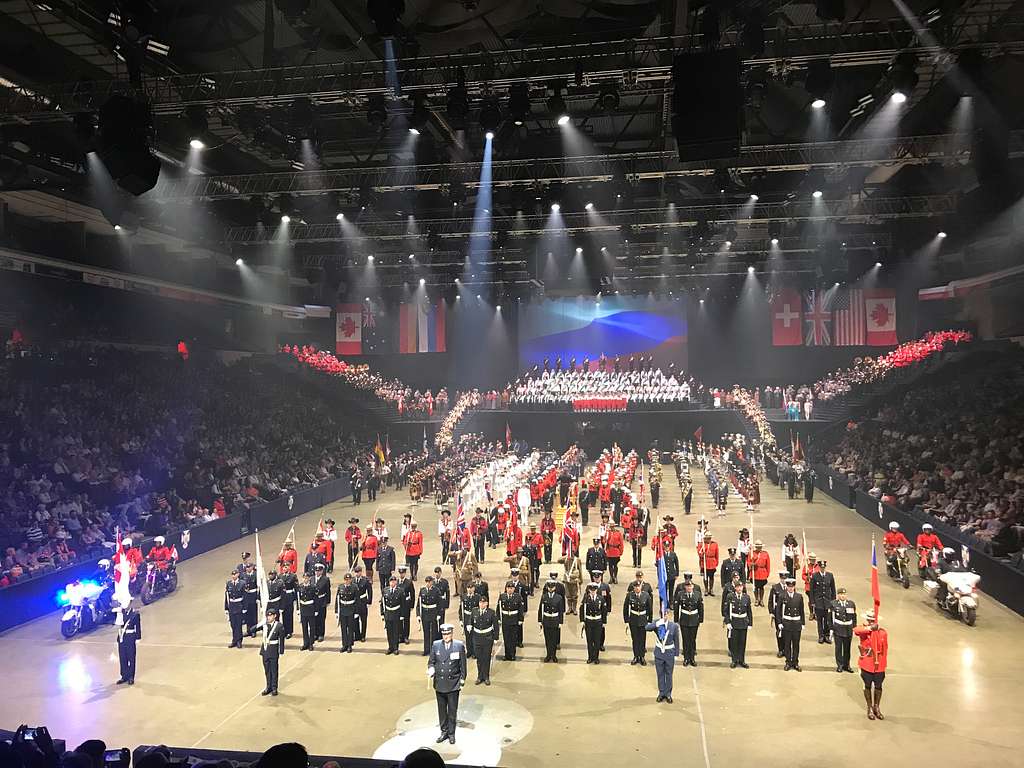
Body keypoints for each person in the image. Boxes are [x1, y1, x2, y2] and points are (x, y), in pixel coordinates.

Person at [428, 624, 467, 745]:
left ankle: (451, 733)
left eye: (448, 634)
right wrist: (431, 669)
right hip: (440, 682)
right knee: (441, 711)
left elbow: (463, 666)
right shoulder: (436, 645)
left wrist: (462, 679)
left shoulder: (458, 646)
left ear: (452, 634)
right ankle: (443, 732)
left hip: (453, 683)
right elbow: (431, 662)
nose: (446, 636)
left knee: (452, 710)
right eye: (444, 634)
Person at [854, 610, 888, 720]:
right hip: (867, 663)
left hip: (878, 664)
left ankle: (876, 707)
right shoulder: (864, 630)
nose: (870, 621)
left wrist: (883, 664)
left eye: (872, 620)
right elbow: (856, 630)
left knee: (878, 686)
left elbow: (885, 649)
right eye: (869, 620)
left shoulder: (882, 632)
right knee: (867, 685)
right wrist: (869, 629)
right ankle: (869, 707)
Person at [645, 612, 681, 703]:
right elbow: (646, 628)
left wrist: (676, 654)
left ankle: (668, 693)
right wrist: (657, 623)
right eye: (662, 615)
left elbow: (676, 641)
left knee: (669, 674)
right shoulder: (657, 623)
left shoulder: (673, 626)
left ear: (668, 615)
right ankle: (661, 693)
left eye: (665, 615)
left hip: (669, 653)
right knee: (660, 674)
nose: (664, 617)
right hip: (659, 654)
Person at [776, 577, 805, 671]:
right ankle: (788, 662)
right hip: (787, 623)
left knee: (796, 644)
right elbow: (778, 611)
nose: (791, 588)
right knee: (787, 644)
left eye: (792, 586)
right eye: (789, 586)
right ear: (787, 587)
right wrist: (779, 622)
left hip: (796, 623)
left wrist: (803, 623)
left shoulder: (799, 597)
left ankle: (795, 662)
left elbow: (801, 611)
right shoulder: (782, 596)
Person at [723, 578, 753, 668]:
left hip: (743, 622)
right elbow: (726, 611)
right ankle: (734, 660)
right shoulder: (730, 597)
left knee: (742, 642)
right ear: (735, 588)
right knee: (734, 642)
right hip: (734, 622)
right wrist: (727, 622)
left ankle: (742, 660)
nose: (739, 589)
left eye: (741, 587)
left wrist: (750, 623)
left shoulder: (746, 597)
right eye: (738, 587)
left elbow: (749, 611)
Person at [674, 579, 703, 666]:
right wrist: (676, 620)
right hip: (684, 619)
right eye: (687, 586)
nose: (689, 588)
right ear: (685, 587)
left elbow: (700, 607)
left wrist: (700, 619)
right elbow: (676, 607)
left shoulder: (697, 594)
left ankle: (692, 658)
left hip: (694, 619)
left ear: (693, 587)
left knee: (692, 639)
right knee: (685, 639)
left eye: (690, 586)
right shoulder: (680, 594)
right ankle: (686, 658)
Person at [624, 580, 653, 665]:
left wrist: (649, 621)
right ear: (634, 587)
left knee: (642, 639)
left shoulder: (646, 595)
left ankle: (642, 656)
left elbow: (650, 609)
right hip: (633, 620)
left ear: (641, 587)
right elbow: (625, 609)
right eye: (635, 587)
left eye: (638, 586)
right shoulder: (630, 595)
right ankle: (636, 656)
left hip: (643, 620)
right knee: (635, 639)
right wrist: (626, 621)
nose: (637, 588)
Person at [471, 594, 498, 684]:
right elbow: (470, 621)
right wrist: (468, 626)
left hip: (487, 638)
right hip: (477, 637)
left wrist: (495, 638)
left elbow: (496, 626)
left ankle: (486, 676)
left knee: (486, 658)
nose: (482, 604)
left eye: (483, 602)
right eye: (480, 602)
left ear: (486, 603)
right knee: (479, 658)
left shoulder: (491, 612)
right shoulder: (474, 611)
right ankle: (479, 676)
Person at [537, 579, 565, 663]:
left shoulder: (559, 598)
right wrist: (540, 620)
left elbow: (561, 611)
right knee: (547, 639)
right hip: (546, 619)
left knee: (554, 638)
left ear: (554, 588)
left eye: (552, 587)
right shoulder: (544, 597)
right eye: (549, 587)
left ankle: (554, 655)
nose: (550, 589)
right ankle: (548, 655)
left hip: (555, 620)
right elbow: (540, 609)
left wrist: (560, 622)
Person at [830, 587, 857, 673]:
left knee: (847, 648)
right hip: (838, 629)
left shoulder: (851, 604)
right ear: (838, 595)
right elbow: (830, 618)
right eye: (841, 594)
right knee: (838, 648)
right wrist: (831, 629)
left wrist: (854, 628)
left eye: (844, 594)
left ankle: (847, 665)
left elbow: (854, 617)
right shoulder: (833, 604)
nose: (843, 596)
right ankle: (839, 665)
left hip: (848, 629)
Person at [580, 582, 607, 664]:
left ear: (596, 590)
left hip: (598, 621)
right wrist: (582, 620)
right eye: (591, 590)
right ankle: (590, 657)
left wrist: (604, 621)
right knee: (589, 640)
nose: (593, 592)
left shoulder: (600, 598)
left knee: (597, 640)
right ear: (589, 590)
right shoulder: (586, 598)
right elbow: (582, 609)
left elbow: (604, 610)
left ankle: (596, 657)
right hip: (589, 621)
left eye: (594, 590)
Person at [260, 607, 285, 696]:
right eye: (267, 616)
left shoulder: (279, 626)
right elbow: (251, 630)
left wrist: (281, 650)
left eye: (270, 616)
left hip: (274, 650)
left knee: (274, 670)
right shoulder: (265, 625)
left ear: (275, 616)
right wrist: (260, 623)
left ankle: (274, 687)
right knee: (267, 670)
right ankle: (268, 686)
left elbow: (281, 639)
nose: (268, 618)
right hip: (265, 650)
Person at [115, 599, 141, 685]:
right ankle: (124, 676)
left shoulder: (135, 614)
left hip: (130, 637)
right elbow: (118, 624)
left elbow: (138, 627)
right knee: (123, 658)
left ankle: (131, 677)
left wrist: (138, 638)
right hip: (122, 637)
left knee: (131, 658)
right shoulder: (120, 613)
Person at [811, 559, 837, 643]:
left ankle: (826, 635)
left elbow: (833, 589)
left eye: (823, 567)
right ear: (819, 567)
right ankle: (821, 636)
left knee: (827, 620)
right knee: (819, 620)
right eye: (821, 567)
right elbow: (812, 590)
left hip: (827, 602)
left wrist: (833, 601)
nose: (822, 569)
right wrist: (813, 602)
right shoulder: (815, 576)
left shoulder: (830, 575)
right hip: (818, 602)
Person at [498, 580, 524, 661]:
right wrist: (499, 618)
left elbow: (520, 609)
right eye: (508, 588)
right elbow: (498, 608)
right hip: (505, 620)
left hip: (514, 619)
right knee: (506, 638)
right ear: (506, 589)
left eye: (511, 588)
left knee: (513, 638)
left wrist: (520, 619)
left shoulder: (518, 597)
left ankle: (512, 654)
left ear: (514, 589)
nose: (510, 589)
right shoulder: (502, 596)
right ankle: (506, 655)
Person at [417, 576, 442, 657]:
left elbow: (439, 603)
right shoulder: (422, 590)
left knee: (433, 633)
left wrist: (438, 614)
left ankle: (433, 650)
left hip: (433, 613)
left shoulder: (436, 591)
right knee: (426, 632)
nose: (428, 583)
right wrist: (418, 615)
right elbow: (419, 604)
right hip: (425, 614)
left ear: (432, 582)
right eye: (426, 582)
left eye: (429, 582)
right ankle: (426, 649)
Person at [334, 573, 359, 653]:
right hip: (343, 610)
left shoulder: (354, 587)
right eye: (346, 580)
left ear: (351, 580)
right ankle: (344, 644)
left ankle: (349, 645)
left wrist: (356, 612)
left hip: (351, 609)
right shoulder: (340, 587)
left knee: (350, 628)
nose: (347, 581)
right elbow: (337, 600)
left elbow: (357, 600)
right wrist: (337, 611)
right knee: (343, 628)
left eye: (349, 579)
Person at [767, 570, 788, 658]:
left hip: (787, 614)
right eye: (782, 578)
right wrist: (772, 612)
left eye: (785, 578)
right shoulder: (775, 588)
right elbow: (770, 601)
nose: (783, 580)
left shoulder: (790, 587)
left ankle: (786, 650)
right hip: (778, 613)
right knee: (779, 631)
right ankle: (780, 649)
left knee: (787, 632)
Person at [381, 574, 404, 655]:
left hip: (396, 613)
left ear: (396, 582)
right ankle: (390, 647)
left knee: (396, 632)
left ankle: (395, 648)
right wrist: (382, 614)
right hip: (388, 613)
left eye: (394, 581)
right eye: (391, 581)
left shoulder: (400, 591)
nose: (392, 583)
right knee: (389, 632)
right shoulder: (385, 590)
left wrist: (402, 615)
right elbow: (382, 603)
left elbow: (403, 604)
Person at [225, 570, 246, 648]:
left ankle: (239, 641)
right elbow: (227, 597)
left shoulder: (242, 583)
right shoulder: (229, 583)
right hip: (232, 606)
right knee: (233, 624)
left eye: (235, 574)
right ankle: (234, 640)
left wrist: (244, 608)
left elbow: (245, 596)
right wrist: (226, 608)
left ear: (238, 575)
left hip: (239, 606)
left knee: (238, 625)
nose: (233, 576)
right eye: (232, 575)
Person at [298, 573, 319, 651]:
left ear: (309, 579)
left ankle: (311, 643)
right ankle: (305, 643)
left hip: (311, 608)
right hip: (303, 608)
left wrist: (316, 610)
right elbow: (298, 598)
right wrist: (298, 609)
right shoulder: (300, 587)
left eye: (306, 578)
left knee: (312, 627)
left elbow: (316, 599)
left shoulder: (313, 587)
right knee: (304, 627)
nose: (305, 579)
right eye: (304, 578)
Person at [747, 540, 771, 607]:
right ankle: (756, 599)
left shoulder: (765, 553)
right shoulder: (752, 553)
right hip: (755, 572)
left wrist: (767, 574)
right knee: (755, 587)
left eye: (760, 547)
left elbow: (768, 565)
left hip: (762, 572)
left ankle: (761, 600)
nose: (758, 548)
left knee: (761, 587)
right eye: (757, 547)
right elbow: (748, 562)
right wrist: (751, 564)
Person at [353, 564, 372, 641]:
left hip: (362, 601)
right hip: (355, 602)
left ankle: (363, 635)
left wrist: (369, 601)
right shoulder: (353, 580)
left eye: (358, 572)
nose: (357, 573)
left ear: (361, 572)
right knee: (355, 619)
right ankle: (357, 635)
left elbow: (370, 591)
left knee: (363, 619)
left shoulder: (365, 580)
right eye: (356, 572)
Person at [313, 563, 331, 642]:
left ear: (322, 571)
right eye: (316, 571)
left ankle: (321, 634)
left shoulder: (325, 579)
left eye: (319, 571)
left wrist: (327, 601)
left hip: (321, 600)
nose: (317, 572)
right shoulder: (312, 579)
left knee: (321, 618)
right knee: (315, 618)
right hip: (314, 602)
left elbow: (328, 591)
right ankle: (315, 634)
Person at [697, 532, 719, 596]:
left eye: (709, 538)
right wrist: (702, 552)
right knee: (705, 576)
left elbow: (717, 554)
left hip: (712, 562)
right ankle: (706, 589)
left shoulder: (715, 544)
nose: (708, 539)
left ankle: (711, 589)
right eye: (707, 538)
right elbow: (699, 553)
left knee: (711, 577)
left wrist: (716, 562)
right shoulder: (702, 544)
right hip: (705, 562)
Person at [398, 564, 416, 644]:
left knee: (406, 620)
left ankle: (406, 636)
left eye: (403, 573)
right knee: (399, 621)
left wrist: (412, 605)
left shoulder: (409, 582)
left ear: (405, 573)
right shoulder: (397, 582)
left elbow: (412, 594)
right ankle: (400, 636)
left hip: (406, 604)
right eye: (400, 573)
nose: (401, 574)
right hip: (398, 604)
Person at [279, 568, 297, 639]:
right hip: (283, 597)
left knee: (289, 614)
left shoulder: (293, 576)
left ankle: (289, 631)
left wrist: (295, 598)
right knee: (284, 614)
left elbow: (296, 587)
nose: (285, 568)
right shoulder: (280, 576)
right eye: (284, 567)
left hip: (289, 596)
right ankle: (285, 630)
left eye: (286, 567)